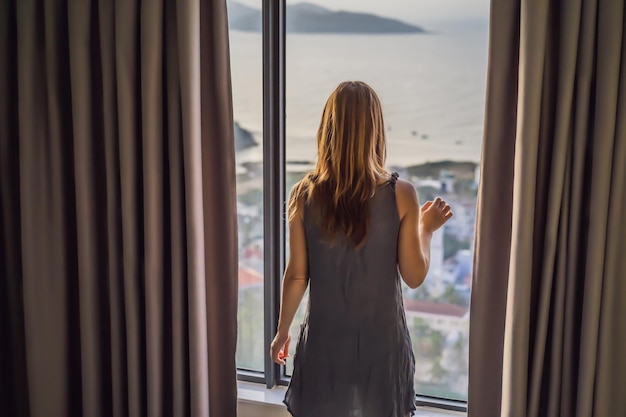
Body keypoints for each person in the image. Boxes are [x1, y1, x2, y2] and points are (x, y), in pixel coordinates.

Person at [270, 81, 453, 417]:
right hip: (382, 349)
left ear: (327, 131)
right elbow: (414, 275)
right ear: (376, 131)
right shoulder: (402, 194)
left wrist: (282, 331)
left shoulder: (303, 194)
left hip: (324, 346)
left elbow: (297, 275)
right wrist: (426, 228)